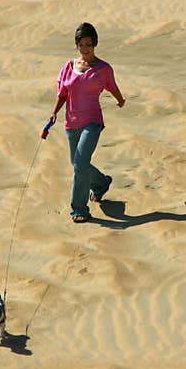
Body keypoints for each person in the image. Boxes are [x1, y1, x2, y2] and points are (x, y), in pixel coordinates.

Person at [49, 22, 125, 223]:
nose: (85, 49)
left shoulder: (103, 68)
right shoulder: (68, 67)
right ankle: (101, 184)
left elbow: (112, 87)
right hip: (71, 122)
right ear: (77, 46)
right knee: (76, 163)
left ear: (95, 43)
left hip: (92, 122)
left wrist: (121, 100)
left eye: (89, 44)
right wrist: (54, 113)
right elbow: (63, 93)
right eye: (81, 45)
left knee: (80, 163)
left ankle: (79, 209)